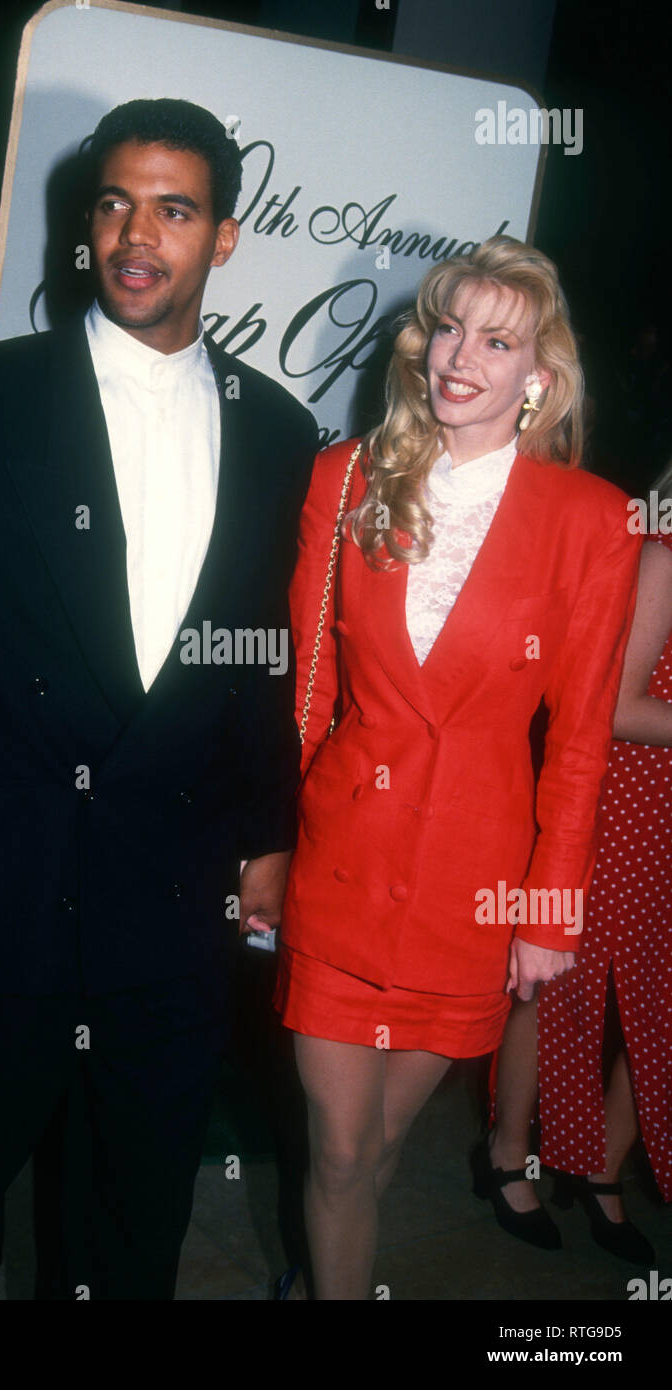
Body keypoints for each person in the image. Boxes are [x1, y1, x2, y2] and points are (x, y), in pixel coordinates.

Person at [0, 97, 317, 1299]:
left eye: (173, 209)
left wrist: (269, 831)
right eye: (114, 203)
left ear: (224, 237)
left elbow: (257, 658)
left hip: (167, 914)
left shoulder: (281, 434)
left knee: (129, 1227)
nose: (135, 235)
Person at [270, 236, 641, 1300]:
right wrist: (276, 837)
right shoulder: (344, 480)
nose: (459, 355)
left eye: (497, 338)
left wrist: (549, 908)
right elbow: (304, 690)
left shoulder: (593, 519)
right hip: (341, 866)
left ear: (539, 378)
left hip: (473, 897)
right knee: (339, 1152)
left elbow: (578, 741)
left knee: (381, 1148)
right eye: (446, 326)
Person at [528, 461, 671, 1261]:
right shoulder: (664, 552)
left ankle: (603, 1163)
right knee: (585, 989)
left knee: (659, 998)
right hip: (634, 799)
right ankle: (553, 1157)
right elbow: (617, 706)